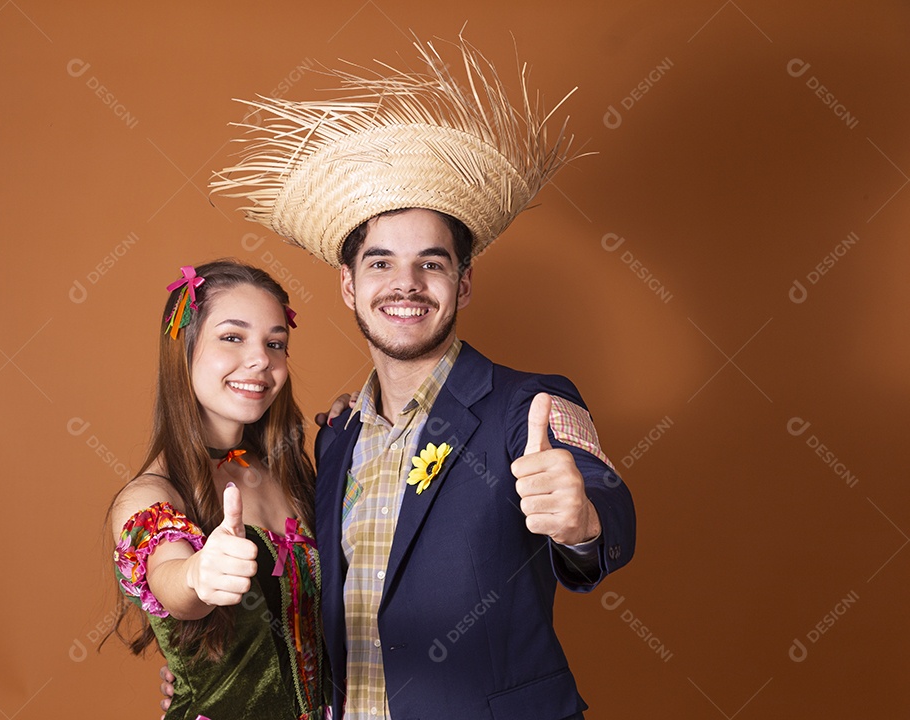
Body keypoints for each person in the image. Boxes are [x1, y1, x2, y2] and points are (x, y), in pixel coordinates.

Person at [210, 35, 637, 720]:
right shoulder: (339, 437)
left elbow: (605, 503)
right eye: (380, 263)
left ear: (463, 284)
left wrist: (582, 520)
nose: (404, 284)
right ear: (348, 286)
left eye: (431, 264)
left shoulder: (528, 405)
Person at [108, 260, 329, 720]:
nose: (261, 359)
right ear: (184, 347)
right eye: (233, 337)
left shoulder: (286, 468)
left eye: (275, 343)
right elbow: (171, 582)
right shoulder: (149, 495)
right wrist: (197, 576)